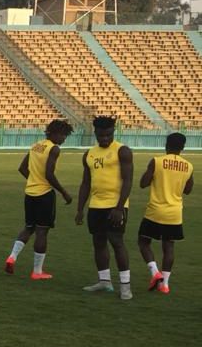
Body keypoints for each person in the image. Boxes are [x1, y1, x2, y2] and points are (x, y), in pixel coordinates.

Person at [4, 120, 74, 279]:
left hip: (30, 193)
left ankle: (12, 257)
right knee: (42, 231)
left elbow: (22, 168)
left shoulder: (36, 145)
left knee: (29, 227)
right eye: (63, 135)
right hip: (44, 195)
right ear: (55, 133)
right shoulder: (54, 149)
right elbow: (49, 174)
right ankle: (37, 271)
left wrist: (33, 180)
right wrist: (63, 192)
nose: (64, 139)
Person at [75, 116, 133, 300]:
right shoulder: (89, 154)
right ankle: (104, 281)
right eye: (101, 135)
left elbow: (128, 180)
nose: (105, 139)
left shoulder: (122, 151)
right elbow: (85, 183)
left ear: (113, 132)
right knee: (98, 242)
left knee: (117, 242)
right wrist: (80, 209)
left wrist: (119, 207)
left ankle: (125, 287)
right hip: (96, 205)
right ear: (95, 133)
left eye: (108, 135)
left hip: (115, 206)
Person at [138, 132, 193, 295]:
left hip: (155, 210)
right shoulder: (188, 166)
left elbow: (143, 183)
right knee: (168, 247)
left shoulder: (157, 161)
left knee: (143, 242)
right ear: (183, 147)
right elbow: (188, 190)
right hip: (174, 213)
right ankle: (165, 285)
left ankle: (155, 272)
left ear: (166, 145)